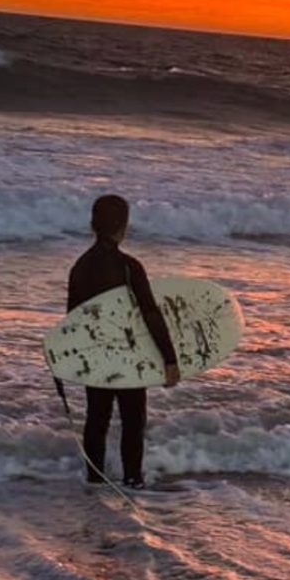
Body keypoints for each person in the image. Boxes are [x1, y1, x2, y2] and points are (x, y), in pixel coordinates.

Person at [68, 194, 180, 488]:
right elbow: (150, 315)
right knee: (133, 420)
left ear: (93, 224)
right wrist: (169, 359)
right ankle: (133, 480)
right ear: (123, 226)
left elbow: (72, 322)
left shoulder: (80, 267)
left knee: (97, 419)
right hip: (129, 355)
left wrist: (75, 362)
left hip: (96, 356)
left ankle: (94, 480)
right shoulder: (129, 266)